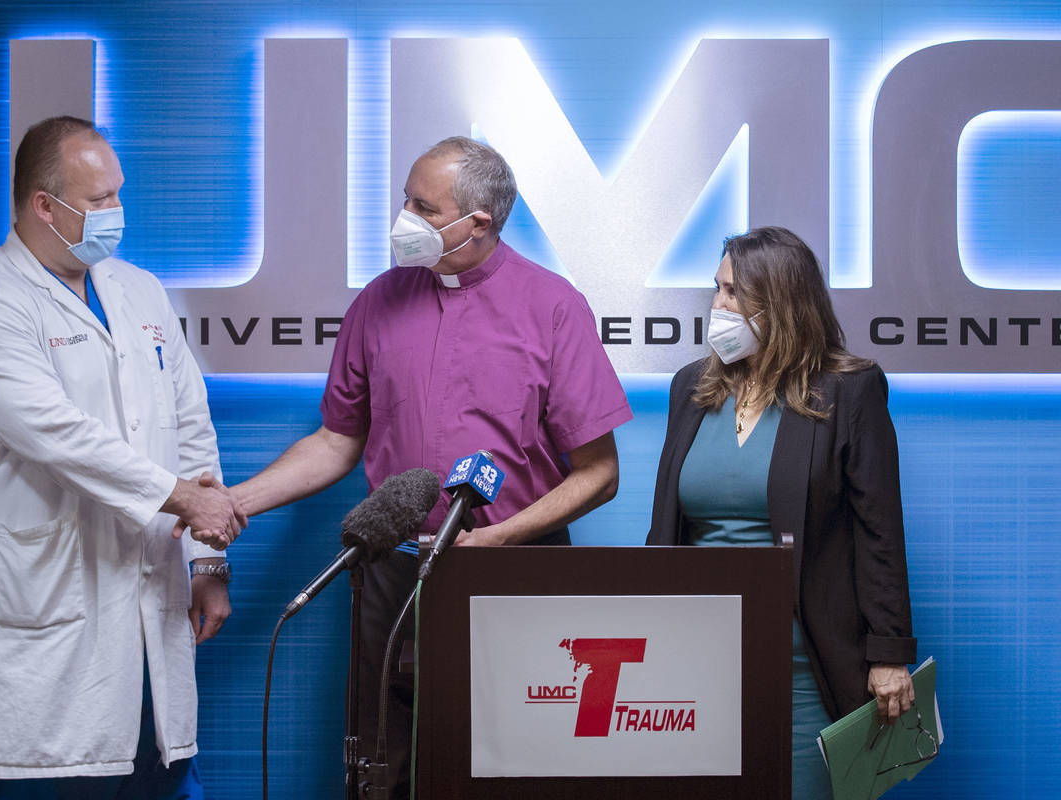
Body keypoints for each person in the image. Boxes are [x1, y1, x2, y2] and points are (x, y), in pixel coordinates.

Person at [225, 136, 633, 798]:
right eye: (405, 199)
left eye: (423, 205)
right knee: (383, 767)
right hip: (390, 572)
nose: (403, 219)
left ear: (479, 223)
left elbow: (599, 472)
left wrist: (499, 537)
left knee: (516, 765)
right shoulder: (376, 303)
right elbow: (335, 441)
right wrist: (238, 501)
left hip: (512, 567)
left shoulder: (553, 306)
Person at [0, 116, 245, 799]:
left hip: (150, 605)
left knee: (163, 773)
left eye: (118, 194)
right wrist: (186, 501)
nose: (117, 213)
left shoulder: (138, 291)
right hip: (50, 618)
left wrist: (207, 559)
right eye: (99, 199)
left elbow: (189, 425)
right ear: (44, 205)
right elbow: (63, 438)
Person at [645, 226, 917, 798]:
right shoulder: (690, 386)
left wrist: (889, 653)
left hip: (802, 665)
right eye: (716, 290)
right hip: (695, 659)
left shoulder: (849, 390)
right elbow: (666, 527)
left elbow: (878, 534)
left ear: (781, 306)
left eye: (731, 294)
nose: (716, 306)